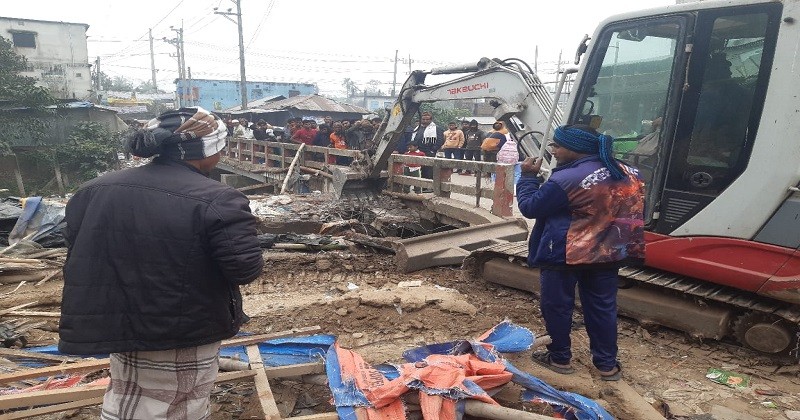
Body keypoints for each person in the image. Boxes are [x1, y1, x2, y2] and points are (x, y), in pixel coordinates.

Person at [59, 107, 264, 418]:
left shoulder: (92, 190)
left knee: (129, 396)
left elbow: (81, 249)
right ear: (207, 151)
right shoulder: (218, 198)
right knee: (177, 405)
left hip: (119, 322)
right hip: (183, 327)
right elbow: (244, 269)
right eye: (222, 144)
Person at [516, 124, 645, 382]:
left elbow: (531, 207)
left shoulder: (567, 178)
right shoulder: (631, 173)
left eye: (557, 145)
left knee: (558, 306)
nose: (553, 150)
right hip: (608, 253)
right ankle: (607, 365)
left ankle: (560, 358)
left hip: (565, 253)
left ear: (575, 149)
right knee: (602, 308)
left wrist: (528, 177)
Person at [410, 111, 444, 182]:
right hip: (418, 150)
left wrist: (433, 150)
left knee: (428, 169)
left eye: (427, 119)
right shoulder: (418, 128)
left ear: (431, 120)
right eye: (423, 119)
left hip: (429, 151)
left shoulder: (436, 128)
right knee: (419, 168)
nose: (425, 121)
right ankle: (422, 186)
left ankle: (429, 186)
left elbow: (440, 141)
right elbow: (414, 138)